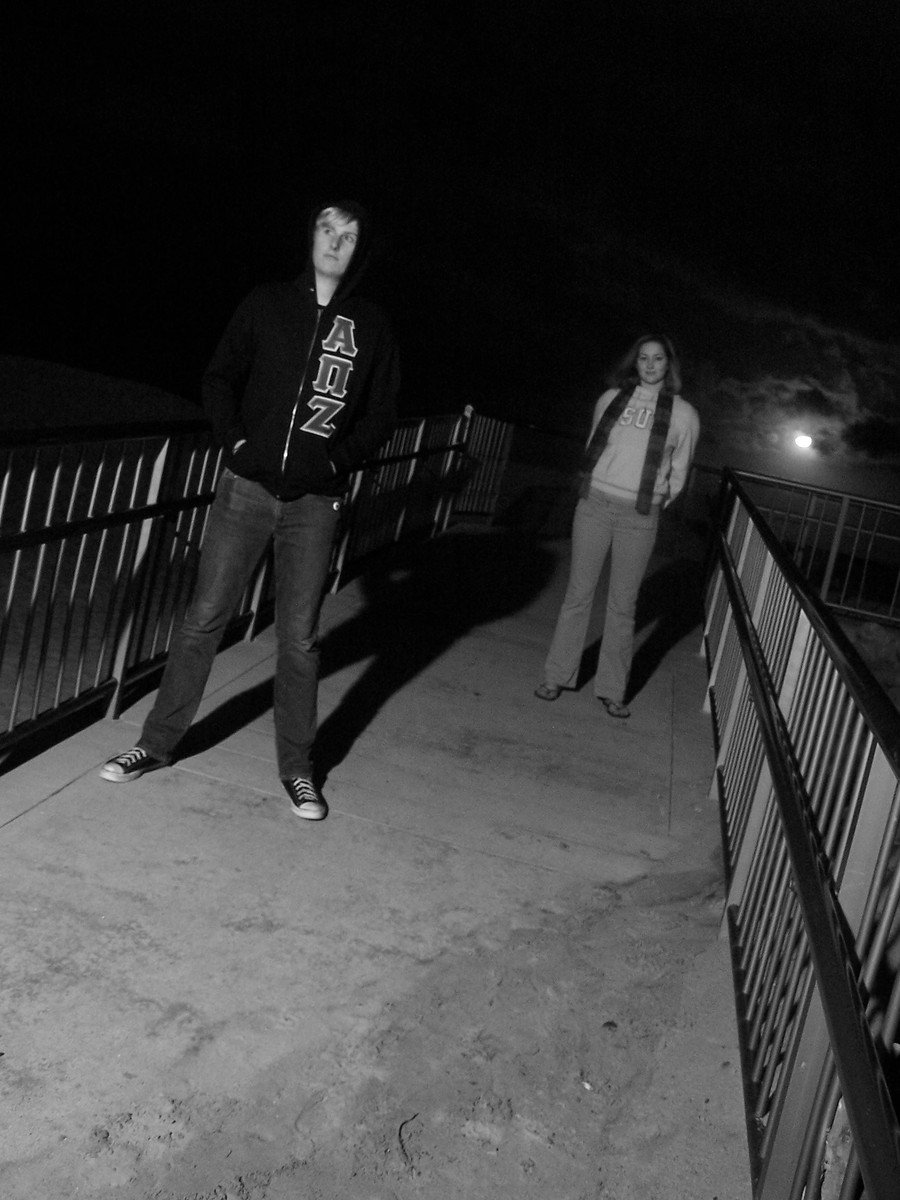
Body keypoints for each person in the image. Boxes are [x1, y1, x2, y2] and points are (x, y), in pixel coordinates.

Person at [100, 200, 400, 819]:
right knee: (204, 617)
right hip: (245, 490)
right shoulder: (267, 303)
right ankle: (154, 745)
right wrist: (238, 444)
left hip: (316, 501)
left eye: (348, 235)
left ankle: (299, 769)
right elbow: (218, 379)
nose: (335, 243)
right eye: (325, 230)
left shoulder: (371, 326)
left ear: (360, 248)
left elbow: (381, 416)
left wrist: (335, 464)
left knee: (300, 639)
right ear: (309, 235)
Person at [534, 334, 699, 717]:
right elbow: (594, 447)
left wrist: (654, 499)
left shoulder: (684, 414)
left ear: (668, 365)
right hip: (595, 505)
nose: (650, 365)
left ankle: (612, 689)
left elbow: (679, 473)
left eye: (658, 359)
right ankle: (556, 676)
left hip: (638, 515)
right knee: (578, 595)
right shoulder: (610, 400)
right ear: (635, 363)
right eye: (643, 358)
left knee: (623, 606)